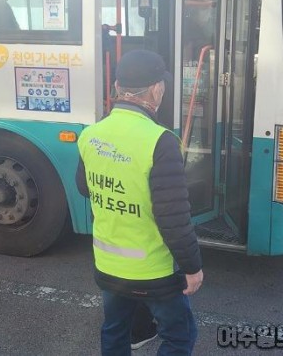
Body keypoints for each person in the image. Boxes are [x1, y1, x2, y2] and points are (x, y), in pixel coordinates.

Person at [76, 49, 203, 356]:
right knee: (180, 336)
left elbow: (84, 187)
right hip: (152, 272)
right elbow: (173, 217)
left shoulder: (91, 135)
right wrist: (192, 267)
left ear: (118, 87)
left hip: (108, 267)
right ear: (156, 90)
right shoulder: (161, 141)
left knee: (115, 331)